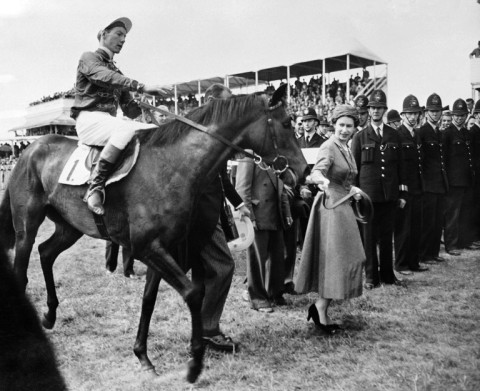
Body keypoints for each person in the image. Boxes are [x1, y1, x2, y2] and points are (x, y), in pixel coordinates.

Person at [71, 17, 170, 215]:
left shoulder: (117, 71)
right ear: (103, 34)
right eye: (118, 34)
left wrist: (146, 107)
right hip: (89, 120)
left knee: (155, 132)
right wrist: (141, 87)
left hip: (109, 122)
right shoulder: (88, 58)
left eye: (125, 36)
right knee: (125, 128)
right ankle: (95, 187)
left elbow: (129, 109)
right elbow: (103, 76)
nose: (123, 39)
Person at [185, 83, 250, 352]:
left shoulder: (215, 130)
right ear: (211, 101)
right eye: (226, 102)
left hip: (209, 209)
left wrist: (239, 203)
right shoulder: (194, 127)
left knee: (203, 272)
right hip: (197, 212)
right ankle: (208, 331)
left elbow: (222, 176)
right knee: (223, 267)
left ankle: (199, 331)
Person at [295, 105, 365, 335]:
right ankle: (320, 309)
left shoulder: (345, 147)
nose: (344, 130)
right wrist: (320, 181)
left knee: (345, 259)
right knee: (336, 260)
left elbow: (344, 176)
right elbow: (316, 172)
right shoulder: (328, 146)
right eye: (341, 125)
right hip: (330, 207)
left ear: (355, 128)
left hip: (342, 203)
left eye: (349, 126)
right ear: (334, 125)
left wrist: (351, 188)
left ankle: (321, 308)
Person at [351, 89, 407, 289]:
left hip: (389, 195)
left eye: (379, 108)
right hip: (368, 197)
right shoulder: (359, 137)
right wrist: (355, 193)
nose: (375, 111)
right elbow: (354, 169)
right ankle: (371, 277)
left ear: (384, 110)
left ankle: (388, 275)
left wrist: (401, 194)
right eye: (372, 108)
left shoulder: (394, 135)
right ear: (368, 110)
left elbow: (401, 167)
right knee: (369, 237)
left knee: (386, 237)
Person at [236, 152, 292, 313]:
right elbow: (242, 189)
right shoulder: (249, 157)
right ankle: (257, 297)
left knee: (277, 257)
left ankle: (274, 293)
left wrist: (286, 212)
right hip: (258, 215)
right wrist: (249, 217)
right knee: (257, 258)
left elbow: (280, 188)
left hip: (275, 215)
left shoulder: (276, 157)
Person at [394, 95, 428, 275]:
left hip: (418, 188)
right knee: (403, 229)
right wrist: (401, 191)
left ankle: (414, 262)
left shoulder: (417, 134)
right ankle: (401, 264)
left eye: (415, 113)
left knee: (416, 227)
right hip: (405, 189)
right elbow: (397, 166)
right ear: (402, 115)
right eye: (409, 113)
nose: (413, 117)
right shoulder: (398, 134)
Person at [418, 93, 449, 264]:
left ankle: (434, 252)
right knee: (428, 221)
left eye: (438, 110)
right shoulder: (422, 132)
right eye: (432, 110)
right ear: (426, 112)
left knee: (438, 221)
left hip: (440, 183)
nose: (435, 113)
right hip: (428, 185)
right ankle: (424, 254)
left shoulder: (439, 132)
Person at [443, 99, 475, 255]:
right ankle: (451, 244)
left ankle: (463, 241)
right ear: (452, 115)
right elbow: (445, 160)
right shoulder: (447, 134)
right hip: (454, 181)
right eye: (456, 115)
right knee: (452, 213)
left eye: (462, 115)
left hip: (466, 180)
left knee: (464, 212)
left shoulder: (466, 133)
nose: (459, 118)